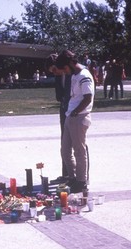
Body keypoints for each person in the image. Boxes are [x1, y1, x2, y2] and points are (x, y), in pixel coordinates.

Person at [55, 49, 94, 193]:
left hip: (79, 117)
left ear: (71, 63)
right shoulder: (74, 75)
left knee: (79, 150)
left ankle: (81, 181)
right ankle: (72, 177)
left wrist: (76, 112)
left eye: (65, 68)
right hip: (70, 116)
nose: (65, 71)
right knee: (65, 150)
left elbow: (88, 98)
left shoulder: (84, 75)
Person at [46, 54, 70, 184]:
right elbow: (58, 96)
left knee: (75, 145)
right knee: (64, 143)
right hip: (63, 110)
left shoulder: (71, 75)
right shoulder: (58, 76)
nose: (54, 73)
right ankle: (65, 174)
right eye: (52, 72)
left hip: (73, 113)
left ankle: (74, 175)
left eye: (55, 69)